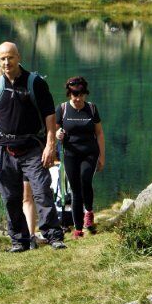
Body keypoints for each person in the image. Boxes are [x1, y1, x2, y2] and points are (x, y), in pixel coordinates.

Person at [0, 42, 66, 251]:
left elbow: (49, 115)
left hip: (32, 147)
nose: (6, 62)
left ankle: (53, 236)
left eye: (10, 57)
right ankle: (19, 240)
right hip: (4, 149)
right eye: (2, 58)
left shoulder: (35, 83)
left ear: (18, 57)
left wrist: (50, 145)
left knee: (41, 192)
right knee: (10, 197)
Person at [56, 75, 105, 237]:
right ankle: (78, 229)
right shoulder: (62, 109)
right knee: (75, 190)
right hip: (70, 154)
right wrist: (58, 134)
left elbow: (99, 133)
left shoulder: (91, 108)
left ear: (85, 94)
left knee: (85, 179)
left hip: (90, 152)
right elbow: (54, 131)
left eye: (80, 95)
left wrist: (102, 157)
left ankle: (89, 212)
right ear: (69, 94)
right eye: (74, 95)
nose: (77, 98)